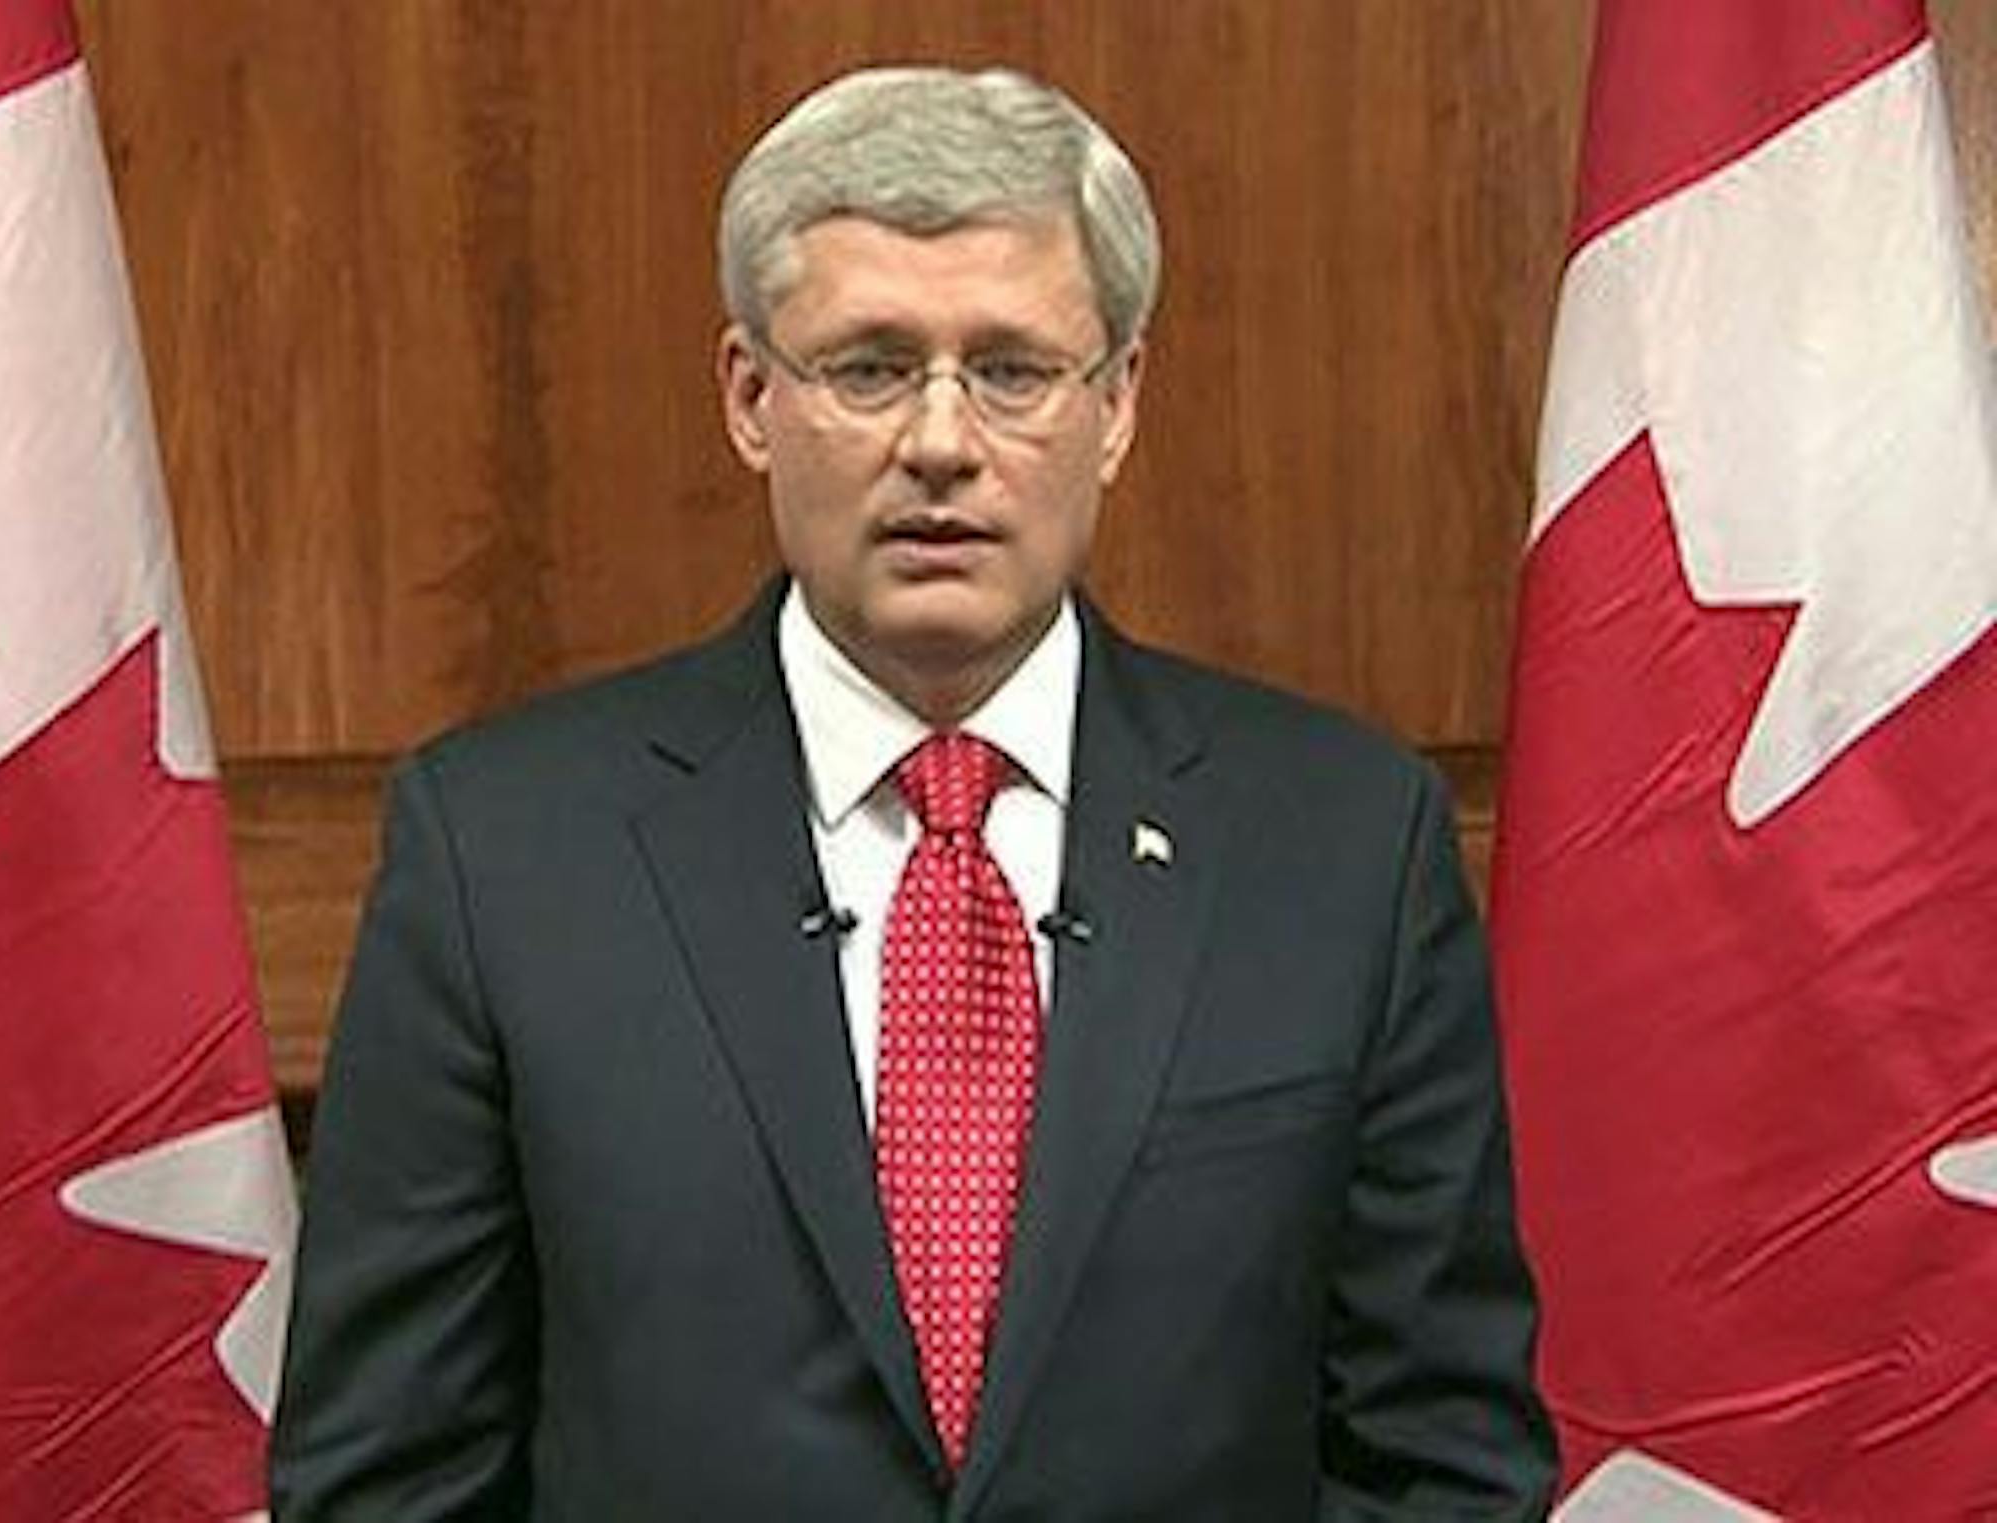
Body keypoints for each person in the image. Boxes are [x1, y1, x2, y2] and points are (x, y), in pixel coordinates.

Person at [270, 65, 1557, 1520]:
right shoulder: (503, 855)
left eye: (1012, 371)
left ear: (1117, 403)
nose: (941, 443)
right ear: (751, 398)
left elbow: (1443, 1461)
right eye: (870, 368)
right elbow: (386, 1482)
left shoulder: (1342, 847)